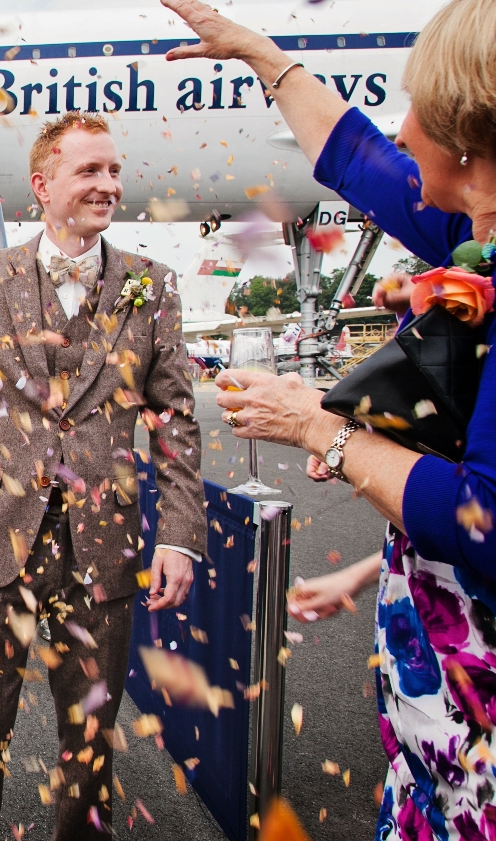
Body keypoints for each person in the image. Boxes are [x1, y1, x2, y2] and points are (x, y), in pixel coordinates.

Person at [164, 0, 496, 836]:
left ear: (467, 139)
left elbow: (485, 517)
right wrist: (259, 55)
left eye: (412, 107)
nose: (397, 127)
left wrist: (324, 427)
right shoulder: (470, 232)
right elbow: (355, 158)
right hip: (434, 726)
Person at [0, 111, 208, 839]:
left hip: (106, 550)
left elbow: (175, 418)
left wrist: (181, 534)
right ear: (43, 184)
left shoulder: (150, 285)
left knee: (92, 738)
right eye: (89, 171)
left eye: (114, 171)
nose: (108, 184)